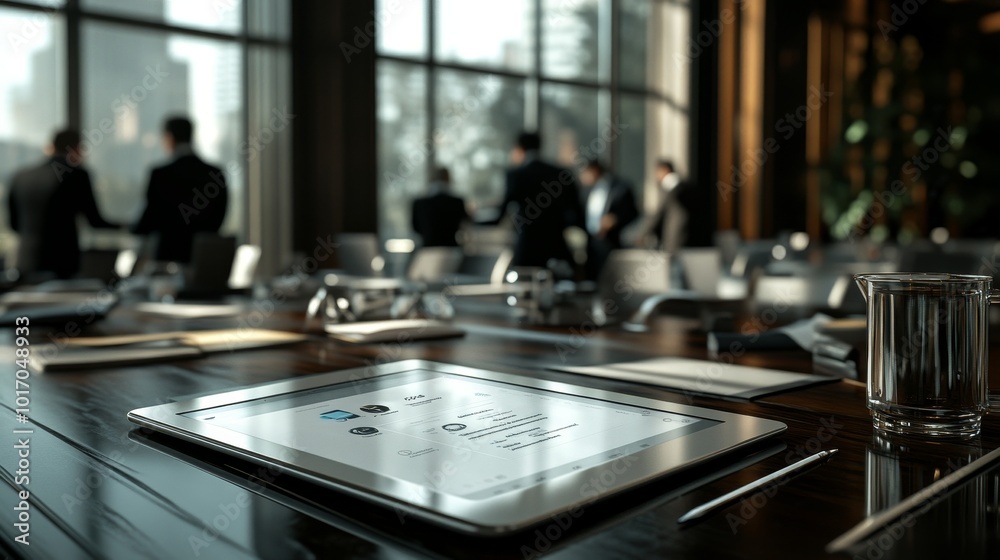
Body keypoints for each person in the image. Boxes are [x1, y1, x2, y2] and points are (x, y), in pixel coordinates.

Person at [7, 129, 120, 280]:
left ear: (51, 147)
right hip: (62, 266)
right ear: (77, 149)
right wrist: (127, 227)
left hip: (25, 263)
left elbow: (14, 225)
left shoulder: (20, 177)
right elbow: (95, 221)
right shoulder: (78, 175)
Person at [132, 116, 228, 263]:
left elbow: (150, 217)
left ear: (169, 138)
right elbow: (220, 214)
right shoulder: (215, 173)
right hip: (204, 259)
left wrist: (133, 228)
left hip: (167, 257)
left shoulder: (160, 174)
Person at [493, 132, 581, 268]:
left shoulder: (516, 175)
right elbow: (577, 213)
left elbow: (500, 215)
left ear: (520, 149)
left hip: (527, 248)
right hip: (556, 246)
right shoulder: (562, 173)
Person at [580, 159, 638, 279]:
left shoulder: (621, 188)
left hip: (613, 244)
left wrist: (616, 220)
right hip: (591, 244)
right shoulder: (585, 190)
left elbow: (633, 213)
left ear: (594, 171)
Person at [636, 159, 689, 252]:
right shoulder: (685, 185)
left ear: (665, 170)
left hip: (676, 236)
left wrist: (644, 233)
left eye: (657, 172)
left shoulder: (671, 185)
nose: (656, 176)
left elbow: (659, 213)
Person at [411, 167, 469, 247]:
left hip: (427, 248)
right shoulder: (457, 202)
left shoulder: (419, 203)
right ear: (448, 179)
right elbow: (464, 223)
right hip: (450, 248)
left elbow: (415, 227)